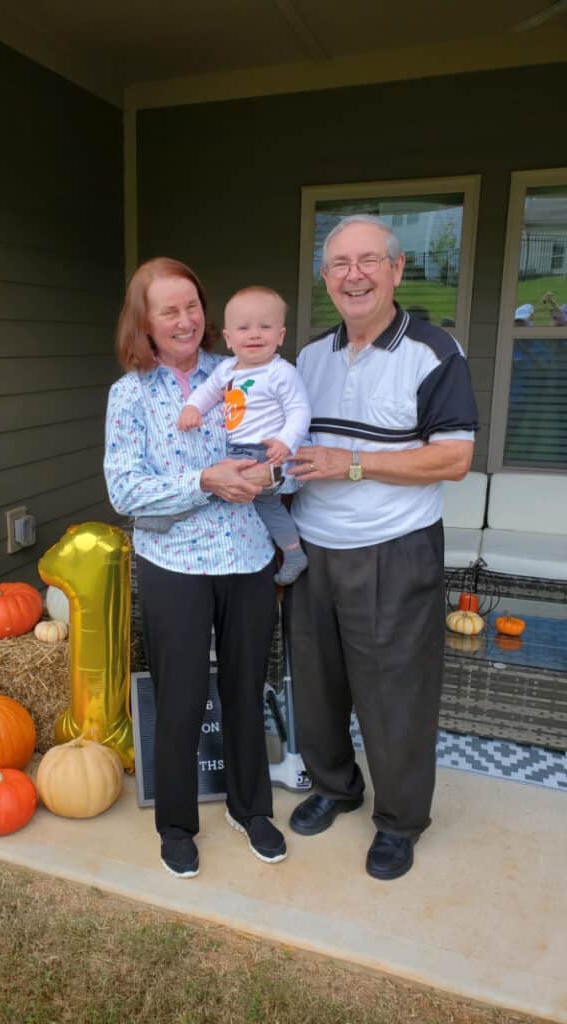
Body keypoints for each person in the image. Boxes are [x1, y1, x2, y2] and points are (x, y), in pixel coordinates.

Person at [286, 215, 478, 881]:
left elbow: (453, 458)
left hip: (394, 552)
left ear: (397, 270)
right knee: (316, 687)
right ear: (325, 278)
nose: (354, 274)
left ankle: (399, 822)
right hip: (313, 551)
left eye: (369, 260)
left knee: (396, 695)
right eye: (340, 263)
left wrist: (355, 463)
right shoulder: (308, 358)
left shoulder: (433, 352)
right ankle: (337, 786)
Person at [103, 257, 287, 879]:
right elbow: (126, 491)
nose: (184, 320)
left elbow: (278, 450)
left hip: (248, 557)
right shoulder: (130, 395)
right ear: (145, 322)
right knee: (179, 697)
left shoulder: (242, 373)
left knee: (244, 687)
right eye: (168, 310)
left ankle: (250, 808)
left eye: (192, 306)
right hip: (173, 565)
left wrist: (268, 472)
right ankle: (177, 823)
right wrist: (205, 480)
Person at [177, 286, 311, 585]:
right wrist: (191, 408)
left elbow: (300, 410)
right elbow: (208, 392)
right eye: (244, 327)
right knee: (219, 488)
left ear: (281, 335)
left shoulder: (281, 372)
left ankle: (292, 553)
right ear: (228, 338)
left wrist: (285, 442)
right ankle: (291, 552)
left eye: (265, 327)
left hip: (264, 452)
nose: (254, 335)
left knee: (257, 501)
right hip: (235, 449)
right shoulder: (226, 369)